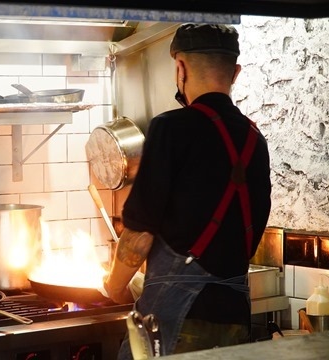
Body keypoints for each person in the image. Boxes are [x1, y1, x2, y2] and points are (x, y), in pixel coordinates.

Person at [103, 23, 272, 358]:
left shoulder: (171, 127)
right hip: (234, 314)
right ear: (235, 72)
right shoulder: (255, 140)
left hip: (177, 320)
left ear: (179, 68)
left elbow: (139, 235)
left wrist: (112, 286)